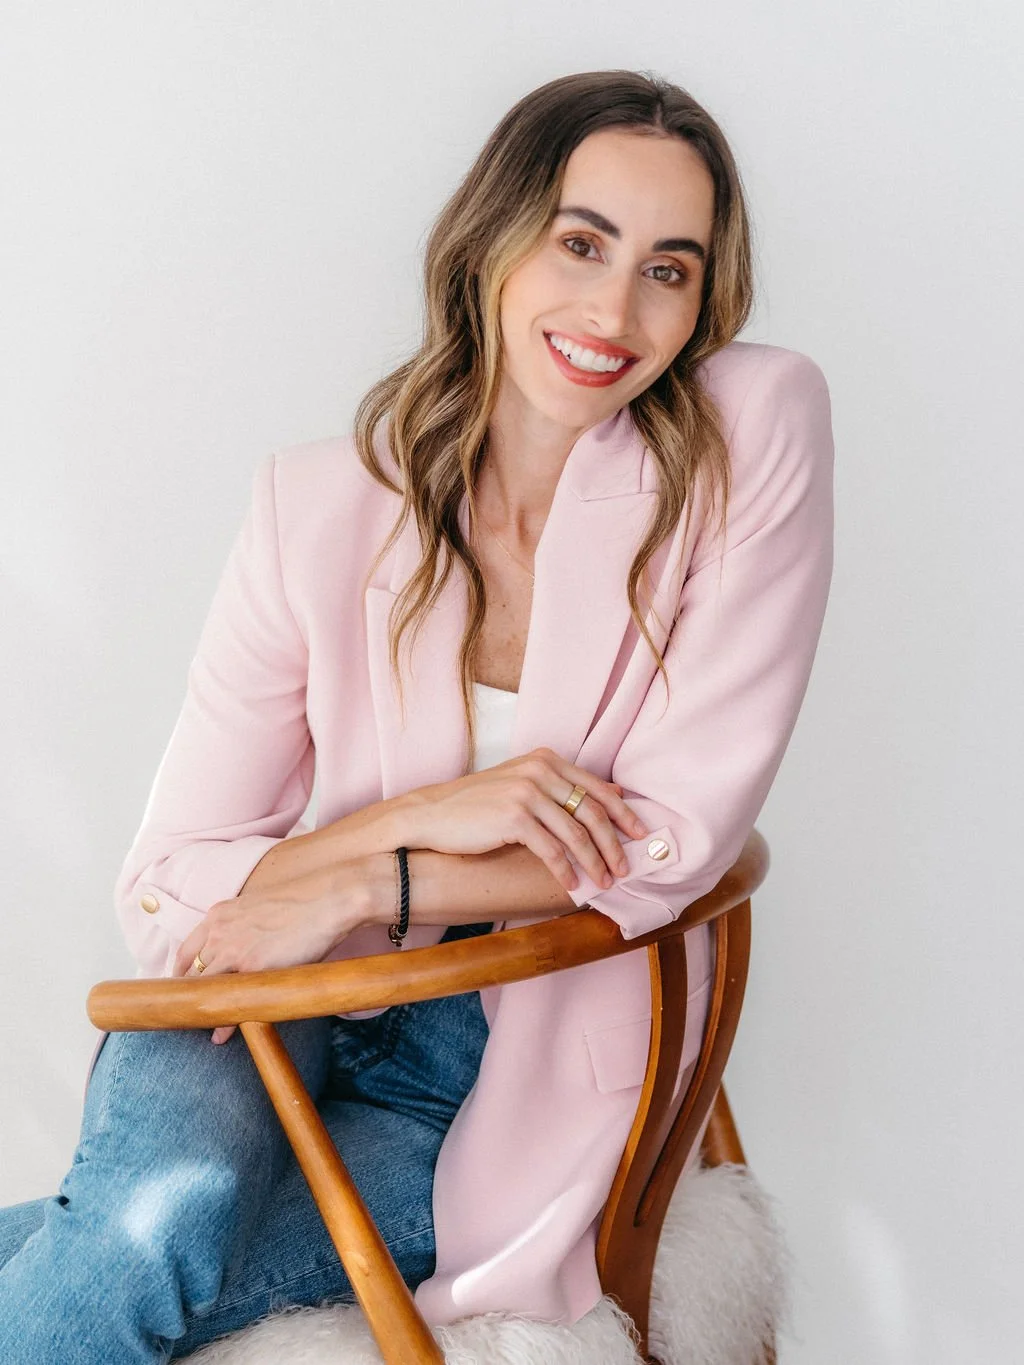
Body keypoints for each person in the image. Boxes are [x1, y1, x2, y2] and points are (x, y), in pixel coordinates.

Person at [0, 67, 834, 1362]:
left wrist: (355, 884)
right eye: (580, 242)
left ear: (705, 301)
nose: (615, 308)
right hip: (272, 1000)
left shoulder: (745, 441)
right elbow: (169, 883)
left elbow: (662, 842)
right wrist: (430, 821)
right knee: (135, 1237)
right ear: (494, 240)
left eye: (670, 268)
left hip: (501, 1068)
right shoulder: (315, 508)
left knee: (120, 1261)